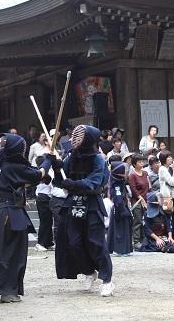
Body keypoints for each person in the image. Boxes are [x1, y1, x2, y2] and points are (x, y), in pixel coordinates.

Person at [0, 133, 52, 303]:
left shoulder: (3, 164)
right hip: (9, 213)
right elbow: (37, 175)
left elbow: (24, 181)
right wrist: (49, 159)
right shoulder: (12, 166)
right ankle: (7, 291)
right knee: (12, 252)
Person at [52, 125, 114, 297]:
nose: (74, 139)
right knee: (74, 243)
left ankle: (107, 279)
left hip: (92, 204)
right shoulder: (71, 158)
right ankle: (88, 271)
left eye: (79, 136)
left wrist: (73, 184)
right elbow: (60, 181)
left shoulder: (98, 160)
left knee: (96, 243)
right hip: (73, 204)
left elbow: (94, 182)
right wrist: (57, 168)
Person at [107, 162, 133, 256]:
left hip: (122, 206)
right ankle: (120, 249)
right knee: (120, 230)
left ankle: (123, 249)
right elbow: (117, 197)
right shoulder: (116, 184)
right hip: (119, 208)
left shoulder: (120, 181)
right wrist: (122, 210)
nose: (125, 172)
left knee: (123, 228)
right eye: (124, 171)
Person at [128, 154, 150, 250]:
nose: (142, 163)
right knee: (138, 221)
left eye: (142, 161)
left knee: (146, 221)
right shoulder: (132, 175)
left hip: (146, 199)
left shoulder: (145, 173)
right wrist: (141, 199)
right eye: (139, 162)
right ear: (134, 164)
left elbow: (149, 186)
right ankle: (136, 241)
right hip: (136, 201)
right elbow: (133, 190)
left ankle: (145, 239)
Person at [33, 156, 54, 252]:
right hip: (42, 198)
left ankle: (49, 242)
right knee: (44, 221)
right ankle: (40, 242)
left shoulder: (45, 172)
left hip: (48, 197)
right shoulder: (41, 173)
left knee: (49, 221)